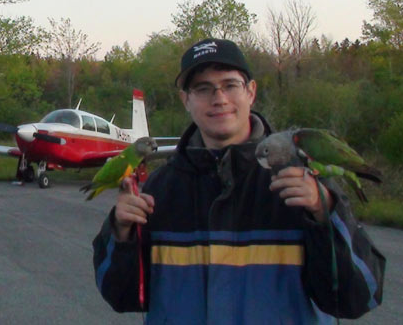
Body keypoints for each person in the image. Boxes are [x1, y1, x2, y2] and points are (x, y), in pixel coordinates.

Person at [92, 38, 385, 324]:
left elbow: (358, 297)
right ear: (186, 100)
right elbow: (122, 296)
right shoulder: (158, 191)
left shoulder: (301, 184)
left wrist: (325, 214)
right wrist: (121, 233)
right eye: (203, 88)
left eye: (230, 85)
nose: (219, 98)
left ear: (251, 92)